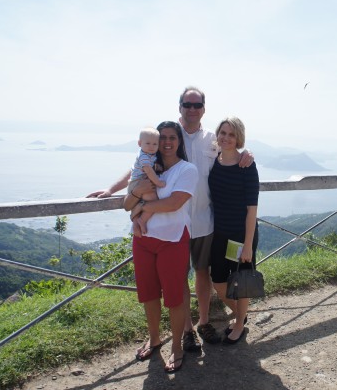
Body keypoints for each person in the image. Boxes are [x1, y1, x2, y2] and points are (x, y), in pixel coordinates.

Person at [87, 86, 254, 350]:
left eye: (197, 105)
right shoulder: (168, 136)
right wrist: (111, 189)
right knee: (178, 278)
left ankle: (204, 321)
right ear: (179, 107)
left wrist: (246, 154)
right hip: (173, 222)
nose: (192, 109)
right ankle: (186, 329)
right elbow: (139, 166)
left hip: (204, 219)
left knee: (202, 274)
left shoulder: (213, 138)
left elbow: (231, 150)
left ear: (203, 109)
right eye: (187, 104)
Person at [123, 121, 198, 372]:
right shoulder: (144, 168)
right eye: (162, 137)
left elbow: (174, 203)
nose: (166, 142)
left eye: (172, 138)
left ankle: (176, 346)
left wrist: (141, 206)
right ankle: (155, 338)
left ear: (179, 141)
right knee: (149, 293)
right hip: (143, 240)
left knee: (175, 296)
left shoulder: (187, 170)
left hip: (173, 240)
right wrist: (137, 194)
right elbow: (125, 204)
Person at [208, 116, 259, 344]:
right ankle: (242, 314)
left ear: (238, 137)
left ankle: (239, 323)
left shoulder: (246, 165)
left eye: (231, 134)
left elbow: (251, 209)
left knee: (241, 281)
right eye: (223, 133)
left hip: (241, 234)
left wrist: (248, 244)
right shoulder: (214, 160)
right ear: (217, 135)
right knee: (218, 281)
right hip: (219, 232)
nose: (226, 138)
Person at [128, 127, 166, 237]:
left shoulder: (149, 155)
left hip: (137, 182)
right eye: (148, 143)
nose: (151, 147)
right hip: (137, 183)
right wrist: (159, 182)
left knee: (144, 202)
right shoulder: (143, 156)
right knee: (154, 202)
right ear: (140, 143)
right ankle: (142, 220)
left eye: (155, 144)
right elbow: (148, 171)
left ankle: (136, 218)